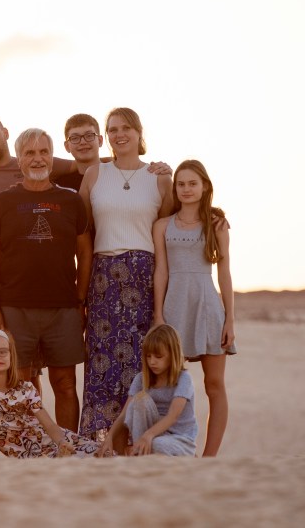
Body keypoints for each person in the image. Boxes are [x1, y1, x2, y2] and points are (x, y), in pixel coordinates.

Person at [0, 128, 92, 432]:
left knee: (65, 384)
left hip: (63, 308)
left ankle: (67, 447)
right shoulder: (2, 202)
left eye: (44, 151)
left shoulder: (71, 201)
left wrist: (80, 300)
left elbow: (85, 254)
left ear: (52, 158)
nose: (38, 158)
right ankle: (31, 451)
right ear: (19, 159)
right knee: (22, 386)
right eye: (30, 153)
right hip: (15, 307)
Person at [79, 107, 175, 442]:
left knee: (138, 363)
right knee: (102, 364)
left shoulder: (160, 177)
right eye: (113, 129)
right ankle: (103, 445)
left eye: (126, 128)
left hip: (142, 277)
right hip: (103, 278)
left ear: (139, 133)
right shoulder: (94, 174)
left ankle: (141, 443)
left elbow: (168, 228)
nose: (120, 135)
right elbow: (82, 230)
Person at [0, 114, 75, 346]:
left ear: (6, 133)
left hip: (24, 280)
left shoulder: (33, 162)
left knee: (25, 363)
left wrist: (148, 166)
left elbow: (86, 162)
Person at [152, 159, 235, 457]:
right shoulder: (163, 225)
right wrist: (158, 314)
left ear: (205, 187)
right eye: (181, 184)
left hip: (208, 307)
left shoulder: (216, 225)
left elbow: (224, 274)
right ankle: (171, 448)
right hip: (174, 307)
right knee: (167, 384)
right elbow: (160, 270)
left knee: (214, 385)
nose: (186, 189)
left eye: (192, 183)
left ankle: (209, 457)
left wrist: (230, 321)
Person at [0, 328, 101, 458]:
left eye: (3, 352)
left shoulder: (26, 388)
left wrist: (62, 442)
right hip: (27, 451)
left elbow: (49, 424)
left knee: (99, 453)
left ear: (11, 356)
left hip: (50, 438)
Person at [98, 325, 197, 457]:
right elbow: (124, 414)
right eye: (148, 356)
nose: (152, 362)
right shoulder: (141, 378)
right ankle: (141, 450)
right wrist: (109, 437)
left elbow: (173, 415)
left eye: (158, 356)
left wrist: (148, 435)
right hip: (149, 436)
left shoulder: (184, 379)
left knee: (158, 444)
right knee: (139, 400)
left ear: (173, 354)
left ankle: (141, 450)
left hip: (180, 439)